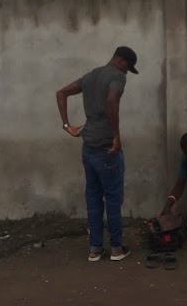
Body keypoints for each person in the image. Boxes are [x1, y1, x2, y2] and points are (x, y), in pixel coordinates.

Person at [56, 45, 139, 262]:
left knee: (93, 198)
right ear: (121, 61)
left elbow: (61, 92)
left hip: (88, 147)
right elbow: (112, 101)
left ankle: (94, 249)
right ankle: (116, 248)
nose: (126, 73)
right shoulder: (117, 77)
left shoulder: (92, 75)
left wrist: (67, 125)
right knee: (113, 198)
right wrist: (116, 136)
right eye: (127, 68)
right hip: (106, 148)